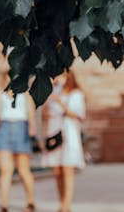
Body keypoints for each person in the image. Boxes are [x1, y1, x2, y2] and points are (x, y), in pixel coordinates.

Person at [0, 77, 37, 212]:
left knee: (23, 170)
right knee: (6, 170)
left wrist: (32, 129)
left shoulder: (26, 93)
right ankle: (4, 204)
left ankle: (30, 201)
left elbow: (31, 112)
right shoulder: (2, 93)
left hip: (21, 128)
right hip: (4, 129)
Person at [42, 70, 86, 212]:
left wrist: (60, 103)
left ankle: (66, 205)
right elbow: (46, 114)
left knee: (68, 168)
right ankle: (62, 202)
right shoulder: (53, 92)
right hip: (54, 130)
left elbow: (78, 115)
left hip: (69, 132)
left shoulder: (76, 94)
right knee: (57, 170)